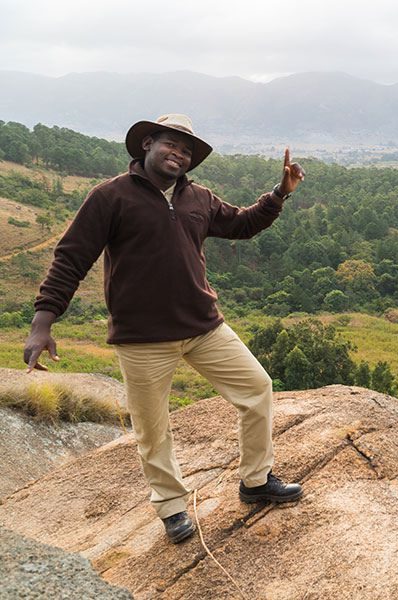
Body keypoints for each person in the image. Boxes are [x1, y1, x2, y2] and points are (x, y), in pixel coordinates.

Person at [23, 114, 305, 544]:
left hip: (203, 326)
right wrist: (43, 322)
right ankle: (172, 507)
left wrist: (278, 194)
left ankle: (255, 481)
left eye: (187, 150)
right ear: (148, 144)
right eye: (171, 144)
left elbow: (242, 224)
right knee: (153, 428)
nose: (179, 154)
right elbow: (71, 259)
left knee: (257, 388)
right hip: (142, 338)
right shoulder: (110, 197)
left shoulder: (199, 198)